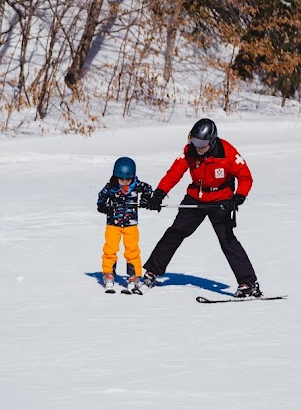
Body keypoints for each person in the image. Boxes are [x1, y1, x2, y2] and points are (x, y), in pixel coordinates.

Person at [142, 118, 261, 298]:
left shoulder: (227, 153)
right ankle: (152, 272)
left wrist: (239, 196)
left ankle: (248, 283)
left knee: (227, 240)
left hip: (221, 199)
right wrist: (159, 193)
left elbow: (245, 177)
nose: (198, 147)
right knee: (175, 232)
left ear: (212, 141)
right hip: (196, 197)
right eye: (195, 141)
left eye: (202, 144)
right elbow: (175, 172)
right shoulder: (189, 151)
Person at [96, 156, 155, 294]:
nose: (124, 183)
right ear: (116, 176)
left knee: (132, 249)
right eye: (121, 180)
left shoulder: (137, 184)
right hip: (113, 224)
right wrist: (103, 206)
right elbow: (101, 197)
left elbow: (148, 189)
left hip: (131, 224)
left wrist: (146, 199)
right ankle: (108, 273)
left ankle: (134, 276)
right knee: (110, 248)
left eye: (127, 180)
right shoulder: (111, 186)